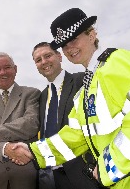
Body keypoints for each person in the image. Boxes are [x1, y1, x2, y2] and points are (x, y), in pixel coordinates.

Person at [13, 8, 130, 188]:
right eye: (64, 45)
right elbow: (75, 136)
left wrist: (107, 166)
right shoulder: (85, 91)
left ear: (92, 34)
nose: (69, 48)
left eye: (73, 39)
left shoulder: (119, 61)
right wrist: (33, 151)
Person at [32, 42, 98, 189]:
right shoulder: (42, 96)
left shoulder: (82, 81)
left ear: (59, 56)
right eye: (38, 60)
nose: (44, 62)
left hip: (83, 174)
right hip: (51, 176)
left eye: (47, 56)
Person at [0, 52, 41, 189]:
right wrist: (5, 149)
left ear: (15, 69)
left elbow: (30, 123)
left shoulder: (31, 94)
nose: (2, 72)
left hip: (25, 175)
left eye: (7, 67)